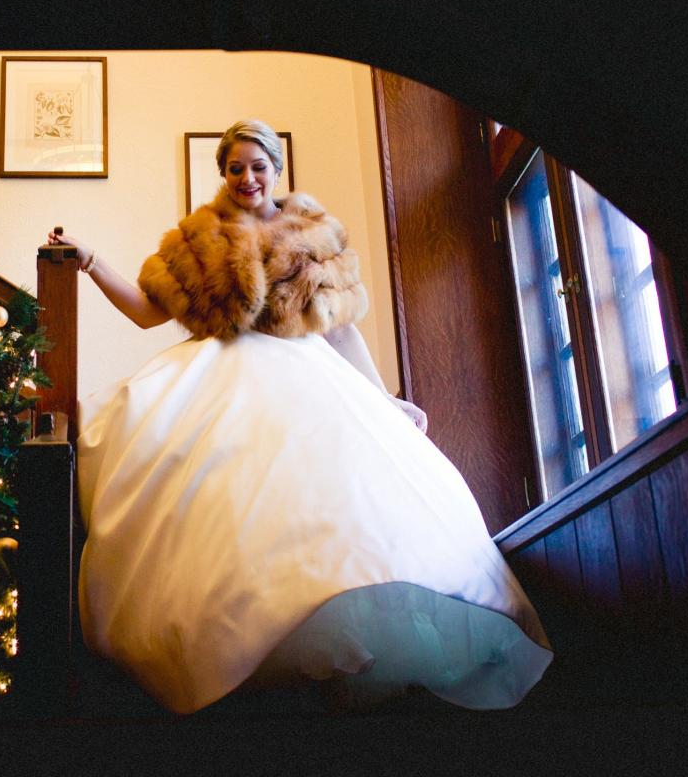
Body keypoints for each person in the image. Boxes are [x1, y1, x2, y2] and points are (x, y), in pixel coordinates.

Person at [49, 119, 552, 715]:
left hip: (306, 371)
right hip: (220, 372)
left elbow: (340, 328)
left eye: (257, 165)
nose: (246, 177)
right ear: (223, 174)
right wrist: (90, 261)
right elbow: (144, 311)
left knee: (339, 508)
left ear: (276, 169)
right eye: (235, 167)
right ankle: (239, 649)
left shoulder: (310, 234)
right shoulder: (197, 238)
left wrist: (382, 400)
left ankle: (348, 650)